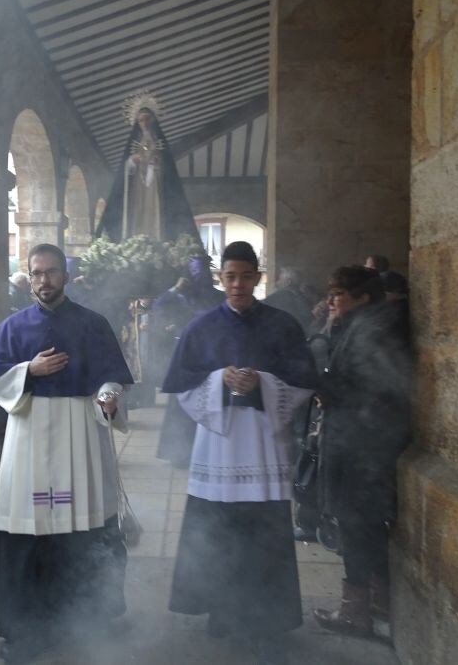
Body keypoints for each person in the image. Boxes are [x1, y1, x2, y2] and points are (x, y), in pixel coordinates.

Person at [0, 243, 134, 663]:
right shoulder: (12, 328)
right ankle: (23, 627)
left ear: (65, 275)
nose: (43, 280)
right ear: (29, 278)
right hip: (28, 434)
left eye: (50, 272)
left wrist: (107, 397)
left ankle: (87, 620)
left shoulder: (92, 324)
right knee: (26, 527)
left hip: (80, 430)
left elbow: (112, 377)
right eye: (36, 273)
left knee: (82, 526)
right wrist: (30, 370)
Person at [161, 241, 318, 665]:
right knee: (218, 530)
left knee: (263, 532)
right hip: (218, 440)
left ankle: (265, 620)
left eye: (245, 277)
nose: (237, 285)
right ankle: (224, 609)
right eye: (230, 276)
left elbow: (304, 379)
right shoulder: (201, 326)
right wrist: (218, 380)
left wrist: (263, 383)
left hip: (265, 439)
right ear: (221, 278)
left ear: (257, 277)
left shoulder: (282, 325)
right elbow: (180, 383)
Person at [312, 265, 411, 637]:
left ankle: (357, 612)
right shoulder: (368, 326)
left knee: (357, 528)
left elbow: (357, 387)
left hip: (361, 449)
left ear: (363, 297)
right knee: (363, 528)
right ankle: (375, 603)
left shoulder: (370, 331)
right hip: (366, 445)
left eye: (338, 294)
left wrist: (321, 378)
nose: (331, 300)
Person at [95, 94, 201, 245]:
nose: (144, 123)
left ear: (153, 120)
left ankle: (156, 239)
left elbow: (169, 171)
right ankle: (133, 239)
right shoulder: (134, 141)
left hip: (155, 187)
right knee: (137, 211)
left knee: (154, 210)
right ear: (137, 122)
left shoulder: (159, 141)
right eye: (140, 120)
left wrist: (156, 163)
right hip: (136, 188)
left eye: (147, 119)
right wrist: (132, 160)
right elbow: (126, 167)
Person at [153, 254, 223, 467]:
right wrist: (175, 289)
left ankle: (207, 451)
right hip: (185, 355)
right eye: (195, 272)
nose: (199, 277)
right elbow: (157, 306)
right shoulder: (182, 297)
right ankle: (180, 452)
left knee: (209, 401)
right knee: (182, 403)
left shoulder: (219, 297)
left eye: (203, 272)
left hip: (211, 356)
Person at [263, 266, 314, 332]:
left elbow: (260, 306)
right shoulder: (301, 296)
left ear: (288, 282)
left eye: (280, 279)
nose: (277, 283)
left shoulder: (283, 295)